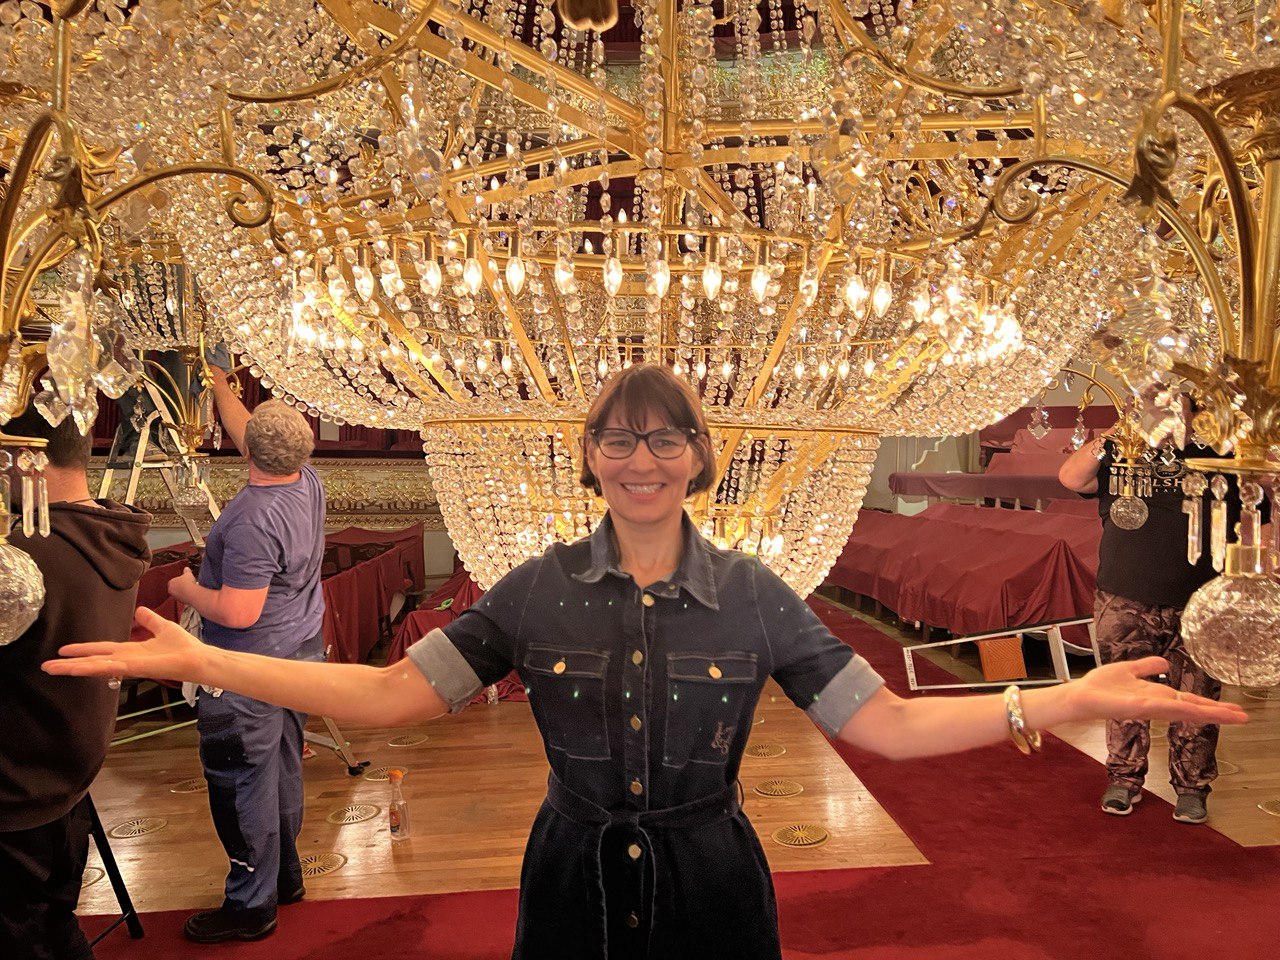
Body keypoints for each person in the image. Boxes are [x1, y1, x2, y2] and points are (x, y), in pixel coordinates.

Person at [46, 365, 1246, 960]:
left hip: (714, 881)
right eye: (619, 440)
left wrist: (1063, 696)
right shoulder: (535, 589)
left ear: (697, 457)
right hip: (567, 877)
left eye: (665, 439)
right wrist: (215, 660)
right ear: (589, 457)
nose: (642, 460)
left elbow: (885, 725)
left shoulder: (755, 594)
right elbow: (387, 696)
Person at [165, 365, 327, 943]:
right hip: (298, 658)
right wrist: (218, 387)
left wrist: (185, 590)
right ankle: (284, 877)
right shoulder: (306, 481)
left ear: (252, 454)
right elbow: (250, 434)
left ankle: (250, 906)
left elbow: (238, 612)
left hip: (245, 668)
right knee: (279, 771)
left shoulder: (253, 519)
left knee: (238, 781)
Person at [0, 405, 151, 960]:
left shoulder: (23, 556)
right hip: (68, 779)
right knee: (55, 929)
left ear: (25, 459)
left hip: (16, 796)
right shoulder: (107, 531)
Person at [1060, 426, 1246, 825]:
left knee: (1197, 699)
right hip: (1124, 592)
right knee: (1124, 692)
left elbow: (1261, 505)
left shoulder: (1224, 448)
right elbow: (1071, 478)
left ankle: (1192, 788)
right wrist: (1111, 435)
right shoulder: (1122, 446)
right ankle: (1123, 779)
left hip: (1201, 597)